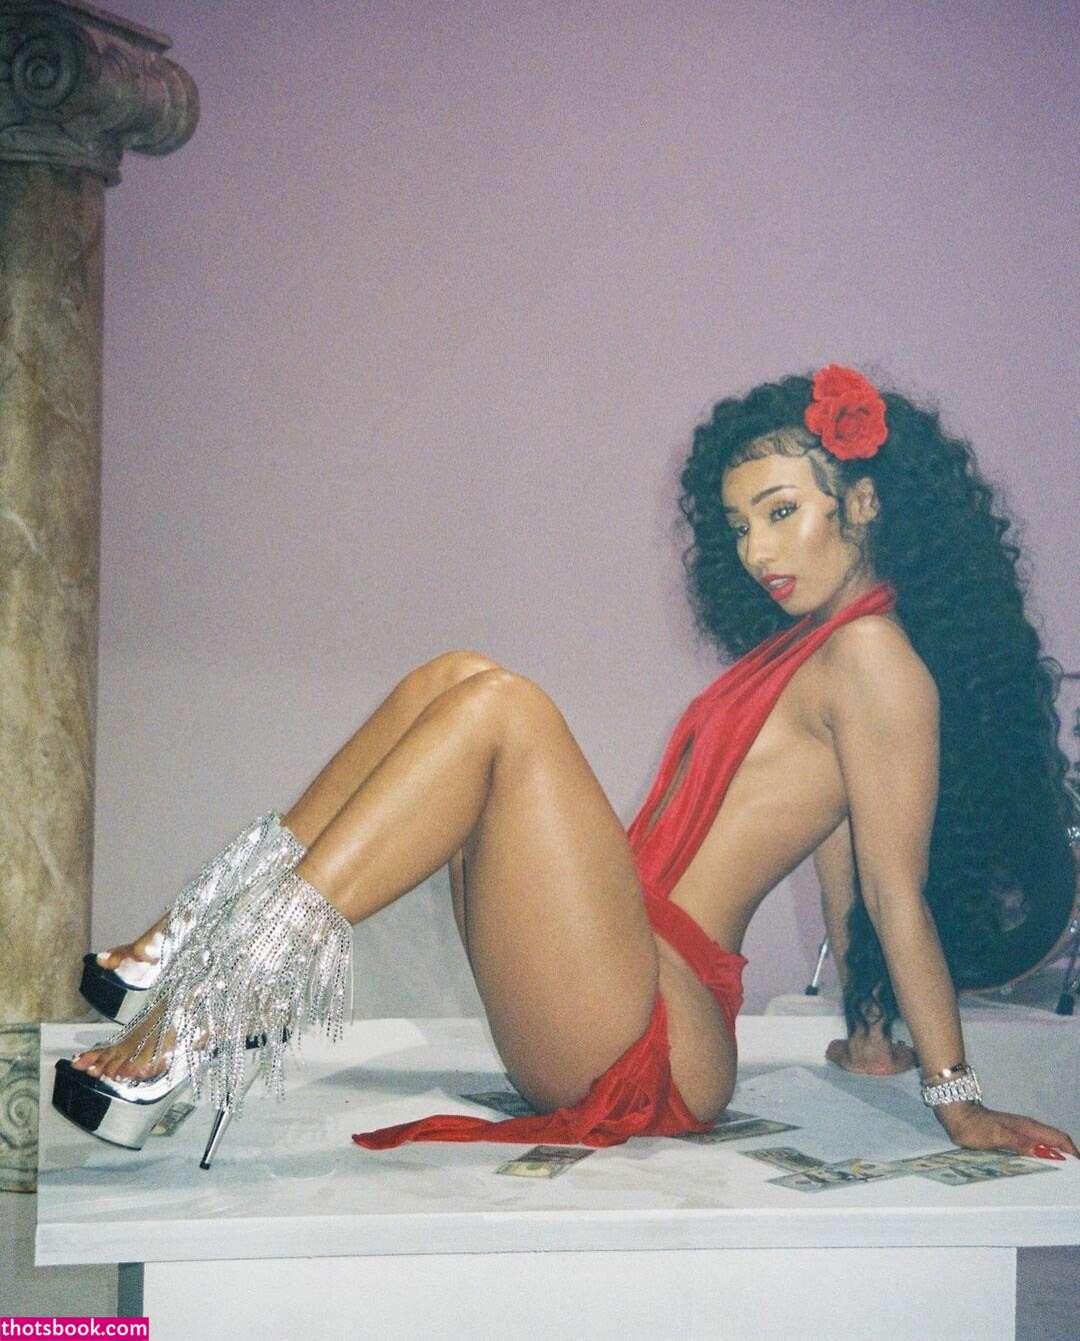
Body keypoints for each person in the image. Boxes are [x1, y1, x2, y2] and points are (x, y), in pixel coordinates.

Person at [55, 364, 1078, 1166]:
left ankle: (212, 1003)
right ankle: (189, 939)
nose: (757, 551)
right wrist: (868, 1037)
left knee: (505, 708)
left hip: (654, 1036)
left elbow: (895, 894)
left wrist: (959, 1101)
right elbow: (844, 859)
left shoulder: (881, 665)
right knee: (458, 675)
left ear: (862, 504)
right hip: (609, 973)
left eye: (780, 512)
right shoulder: (817, 651)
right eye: (739, 526)